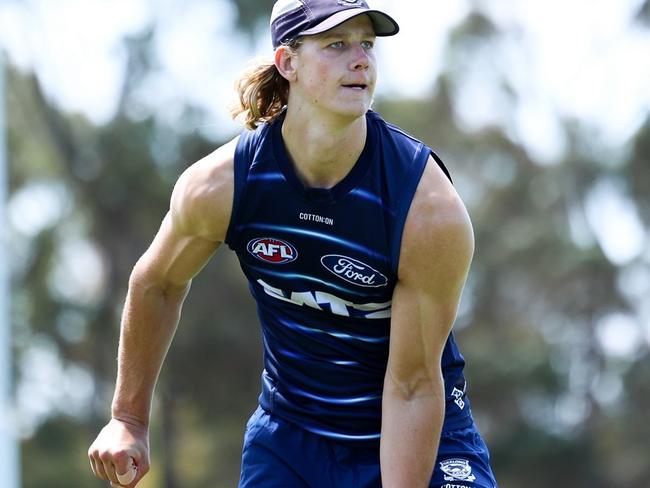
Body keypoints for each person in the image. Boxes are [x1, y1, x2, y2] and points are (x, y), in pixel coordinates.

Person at [88, 0, 498, 486]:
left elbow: (411, 386)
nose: (361, 59)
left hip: (419, 431)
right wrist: (128, 418)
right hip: (291, 439)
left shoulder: (426, 208)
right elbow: (157, 282)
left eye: (366, 44)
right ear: (288, 63)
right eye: (336, 44)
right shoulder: (224, 186)